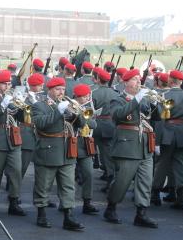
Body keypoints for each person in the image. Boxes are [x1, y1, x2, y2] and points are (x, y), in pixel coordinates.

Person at [104, 69, 158, 228]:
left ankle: (141, 213)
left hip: (144, 145)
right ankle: (111, 206)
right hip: (127, 145)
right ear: (125, 82)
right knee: (122, 181)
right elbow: (118, 115)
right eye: (134, 79)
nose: (138, 82)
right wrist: (136, 100)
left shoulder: (144, 100)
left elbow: (156, 118)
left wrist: (155, 105)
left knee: (145, 181)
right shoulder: (118, 99)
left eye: (138, 79)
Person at [30, 77, 84, 230]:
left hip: (67, 150)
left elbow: (82, 124)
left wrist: (77, 114)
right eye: (58, 89)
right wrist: (59, 111)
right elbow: (41, 124)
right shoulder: (39, 105)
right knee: (43, 184)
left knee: (68, 185)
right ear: (50, 90)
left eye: (63, 89)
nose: (61, 92)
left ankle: (69, 216)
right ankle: (41, 213)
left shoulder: (68, 104)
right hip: (48, 149)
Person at [150, 70, 183, 209]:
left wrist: (157, 141)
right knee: (181, 165)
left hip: (167, 132)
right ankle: (181, 196)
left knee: (162, 165)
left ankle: (155, 194)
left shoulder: (163, 96)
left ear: (170, 80)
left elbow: (159, 121)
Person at [0, 70, 25, 216]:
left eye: (9, 83)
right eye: (4, 84)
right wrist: (3, 105)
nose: (7, 86)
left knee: (16, 171)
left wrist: (22, 108)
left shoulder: (13, 95)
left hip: (13, 138)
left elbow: (23, 118)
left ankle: (13, 200)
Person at [72, 84, 99, 214]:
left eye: (89, 95)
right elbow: (75, 122)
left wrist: (83, 116)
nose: (88, 97)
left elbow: (94, 124)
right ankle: (65, 202)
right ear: (78, 97)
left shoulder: (88, 107)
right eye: (86, 96)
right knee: (69, 176)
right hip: (70, 142)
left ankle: (87, 202)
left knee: (88, 173)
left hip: (84, 144)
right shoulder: (69, 106)